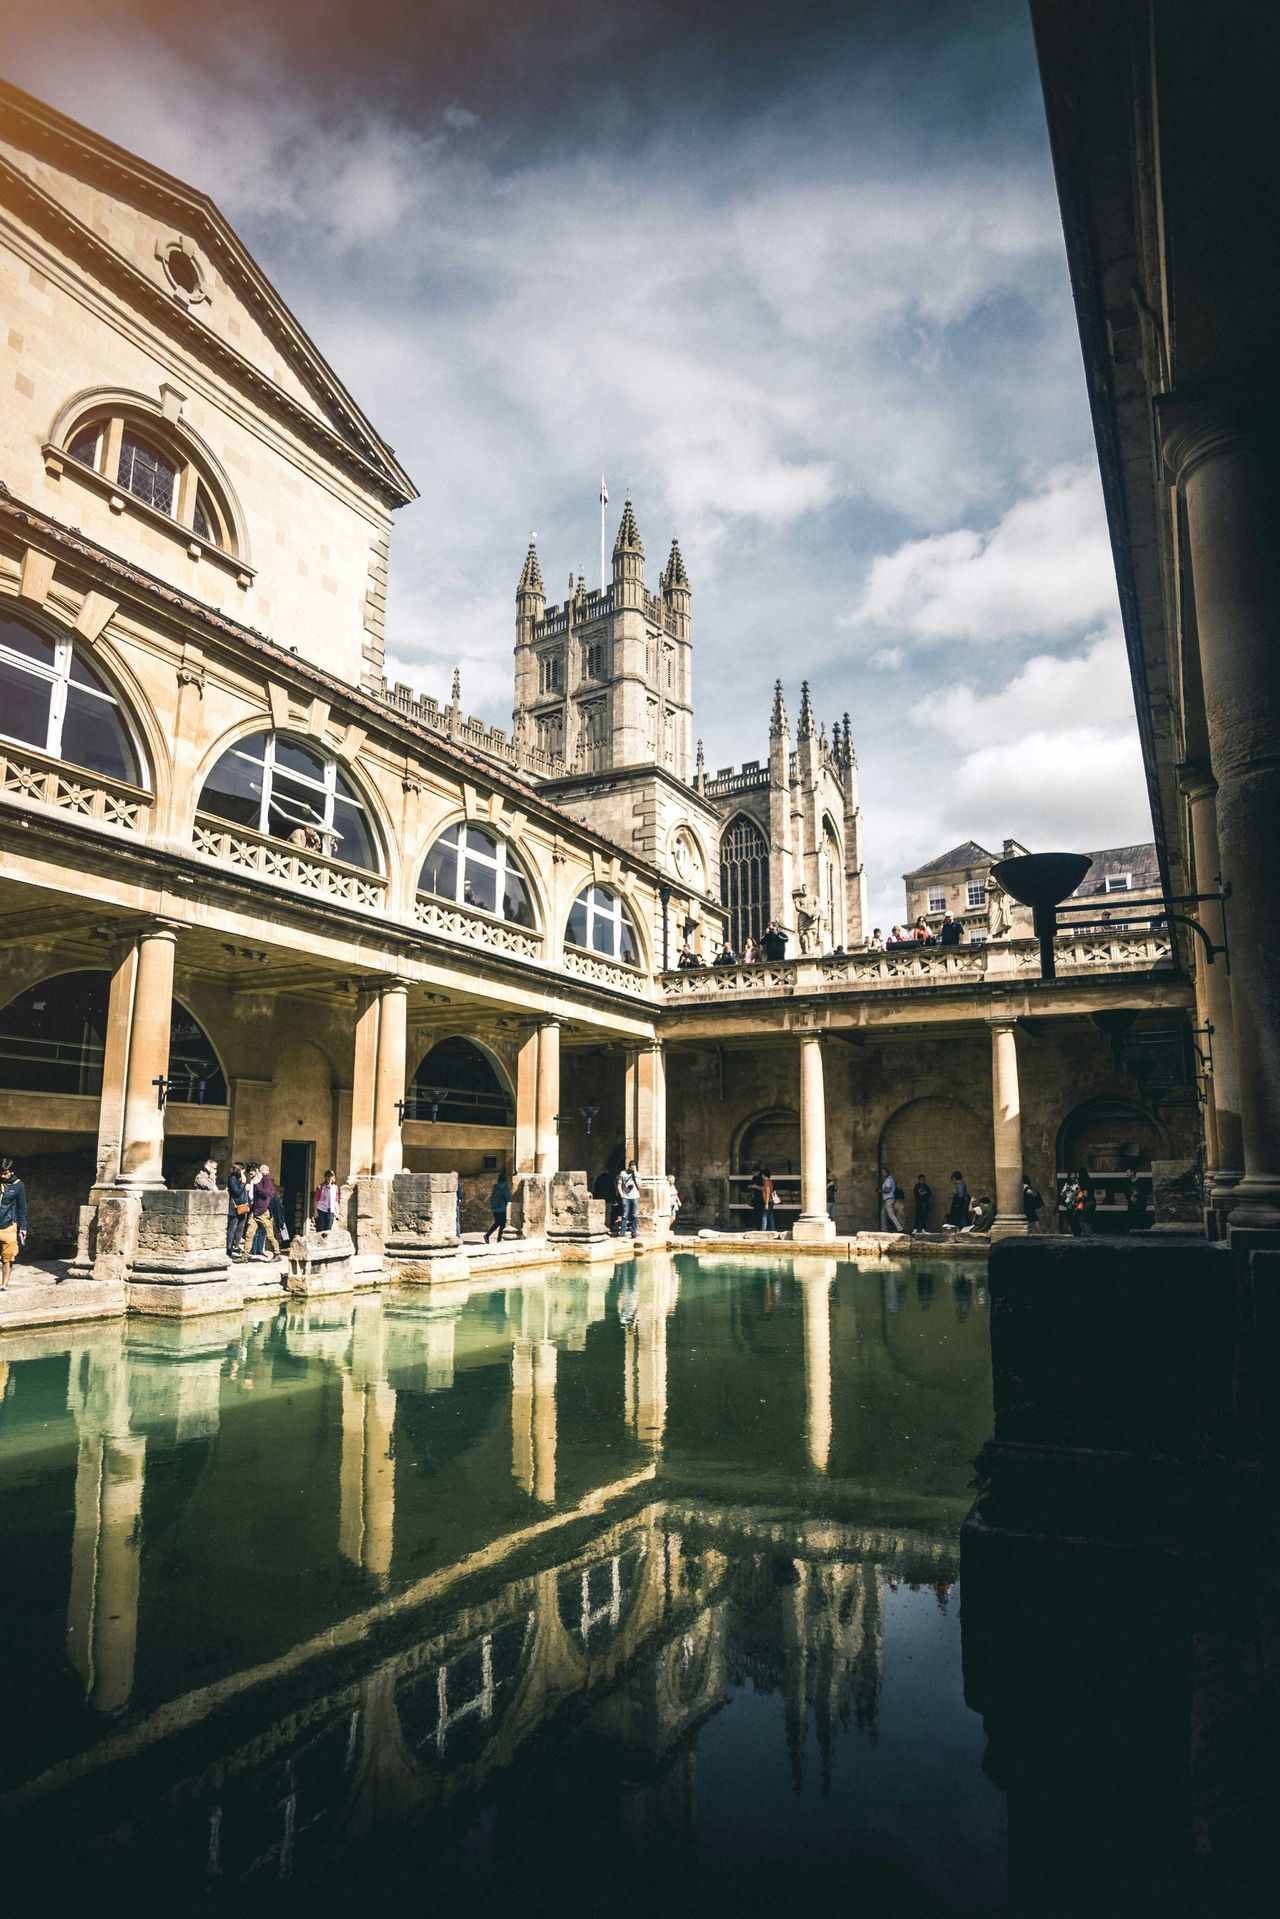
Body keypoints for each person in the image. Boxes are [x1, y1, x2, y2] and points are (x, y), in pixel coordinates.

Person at [0, 1159, 29, 1290]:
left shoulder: (18, 1185)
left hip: (8, 1226)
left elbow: (22, 1208)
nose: (3, 1176)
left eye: (5, 1173)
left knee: (8, 1257)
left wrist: (23, 1227)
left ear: (12, 1172)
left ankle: (4, 1284)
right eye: (1, 1173)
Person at [249, 1161, 281, 1261]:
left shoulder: (266, 1180)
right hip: (256, 1210)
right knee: (249, 1234)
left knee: (270, 1234)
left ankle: (277, 1253)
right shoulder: (258, 1180)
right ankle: (245, 1255)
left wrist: (257, 1184)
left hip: (263, 1211)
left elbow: (265, 1193)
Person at [226, 1162, 251, 1259]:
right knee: (232, 1228)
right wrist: (243, 1183)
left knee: (241, 1227)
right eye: (242, 1170)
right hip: (235, 1207)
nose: (244, 1173)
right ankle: (229, 1248)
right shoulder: (232, 1179)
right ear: (238, 1170)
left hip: (243, 1206)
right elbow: (236, 1193)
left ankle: (236, 1246)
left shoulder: (240, 1179)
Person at [484, 1172, 513, 1242]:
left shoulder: (495, 1187)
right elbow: (509, 1198)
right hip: (502, 1208)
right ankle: (498, 1239)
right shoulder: (505, 1187)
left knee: (497, 1222)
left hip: (495, 1208)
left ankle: (488, 1235)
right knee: (502, 1224)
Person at [616, 1162, 640, 1237]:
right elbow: (619, 1185)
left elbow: (639, 1186)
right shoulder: (622, 1173)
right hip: (626, 1197)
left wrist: (635, 1176)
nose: (632, 1169)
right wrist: (622, 1195)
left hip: (635, 1196)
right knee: (625, 1214)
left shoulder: (638, 1174)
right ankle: (622, 1232)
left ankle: (633, 1232)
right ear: (628, 1167)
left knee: (634, 1214)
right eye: (631, 1168)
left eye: (634, 1168)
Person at [314, 1169, 340, 1233]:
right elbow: (316, 1200)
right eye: (327, 1176)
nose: (329, 1178)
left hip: (331, 1211)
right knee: (320, 1229)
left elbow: (336, 1201)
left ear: (333, 1177)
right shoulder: (320, 1187)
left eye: (330, 1176)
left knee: (328, 1230)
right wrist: (316, 1211)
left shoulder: (335, 1188)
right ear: (325, 1177)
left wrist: (337, 1212)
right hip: (321, 1210)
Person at [880, 1167, 905, 1232]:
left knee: (891, 1214)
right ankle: (884, 1229)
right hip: (887, 1199)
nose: (883, 1174)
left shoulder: (889, 1180)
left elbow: (887, 1190)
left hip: (889, 1199)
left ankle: (899, 1228)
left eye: (884, 1172)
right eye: (882, 1172)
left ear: (887, 1172)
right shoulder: (887, 1179)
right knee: (883, 1214)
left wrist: (880, 1191)